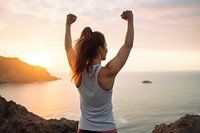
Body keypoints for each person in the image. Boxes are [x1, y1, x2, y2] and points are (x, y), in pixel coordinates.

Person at [64, 10, 134, 133]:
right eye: (105, 46)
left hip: (84, 129)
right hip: (106, 129)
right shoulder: (107, 72)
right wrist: (130, 21)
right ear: (100, 49)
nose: (107, 49)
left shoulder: (78, 71)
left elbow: (68, 47)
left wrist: (68, 25)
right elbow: (128, 45)